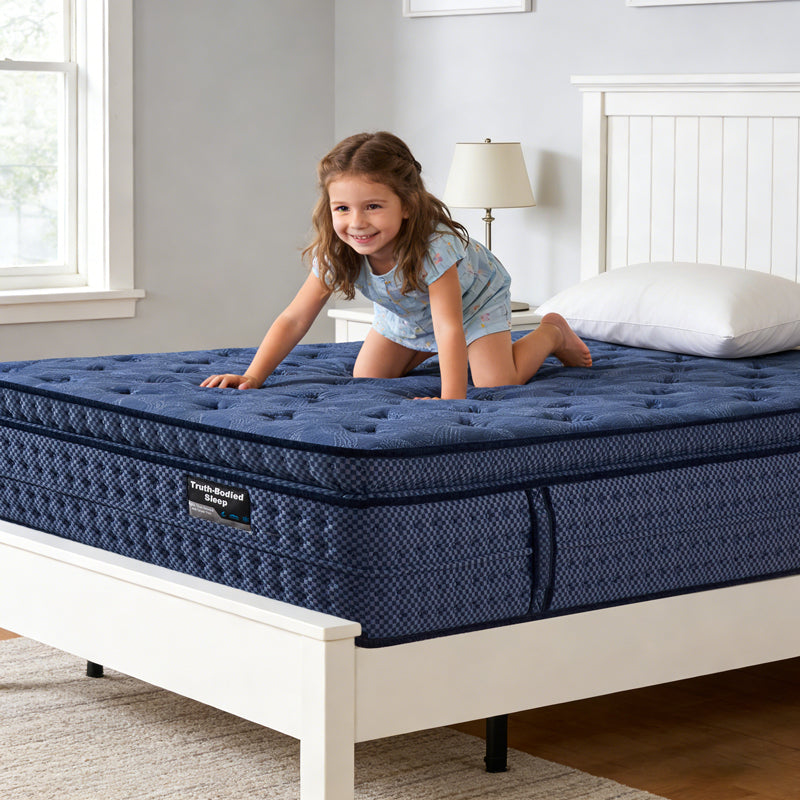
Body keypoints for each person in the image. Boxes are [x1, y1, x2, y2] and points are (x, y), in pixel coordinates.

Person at [201, 132, 591, 400]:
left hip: (472, 306)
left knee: (495, 383)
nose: (357, 223)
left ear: (406, 205)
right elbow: (294, 319)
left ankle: (551, 333)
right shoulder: (337, 249)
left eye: (373, 206)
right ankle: (425, 352)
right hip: (407, 312)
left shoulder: (433, 246)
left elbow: (449, 326)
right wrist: (253, 375)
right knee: (368, 378)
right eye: (343, 208)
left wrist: (450, 399)